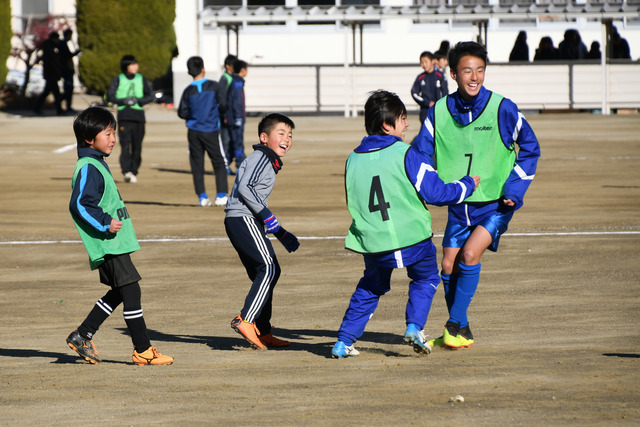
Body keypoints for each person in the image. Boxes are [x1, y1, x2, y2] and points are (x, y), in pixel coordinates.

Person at [331, 90, 479, 359]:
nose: (407, 124)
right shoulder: (407, 153)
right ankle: (414, 327)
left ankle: (343, 341)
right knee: (426, 278)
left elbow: (353, 199)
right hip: (412, 237)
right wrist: (467, 184)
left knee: (371, 287)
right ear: (388, 125)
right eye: (402, 119)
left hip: (374, 241)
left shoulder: (352, 158)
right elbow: (436, 194)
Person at [413, 41, 540, 350]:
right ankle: (463, 328)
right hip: (459, 205)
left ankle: (452, 324)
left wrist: (513, 189)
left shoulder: (503, 107)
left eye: (480, 70)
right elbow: (420, 154)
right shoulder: (438, 111)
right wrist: (427, 188)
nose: (474, 77)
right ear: (453, 74)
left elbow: (530, 148)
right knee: (447, 264)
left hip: (496, 203)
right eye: (467, 71)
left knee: (470, 254)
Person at [66, 107, 173, 365]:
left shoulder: (96, 163)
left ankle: (82, 335)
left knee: (119, 292)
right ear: (89, 139)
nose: (113, 138)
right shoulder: (89, 166)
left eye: (114, 133)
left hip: (114, 243)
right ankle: (143, 350)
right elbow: (79, 204)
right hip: (107, 243)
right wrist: (105, 223)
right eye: (108, 133)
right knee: (131, 291)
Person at [225, 113, 300, 350]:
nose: (287, 138)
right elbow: (246, 188)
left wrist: (277, 230)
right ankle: (246, 320)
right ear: (264, 137)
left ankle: (263, 330)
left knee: (270, 271)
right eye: (281, 133)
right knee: (267, 268)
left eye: (290, 135)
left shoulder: (268, 159)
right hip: (242, 218)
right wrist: (270, 220)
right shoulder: (261, 156)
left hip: (247, 220)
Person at [177, 56, 229, 207]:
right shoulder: (214, 86)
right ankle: (221, 195)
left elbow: (181, 112)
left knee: (196, 164)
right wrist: (216, 113)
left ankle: (202, 197)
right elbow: (224, 104)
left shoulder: (188, 90)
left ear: (189, 72)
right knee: (219, 162)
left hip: (193, 131)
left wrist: (193, 116)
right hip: (211, 129)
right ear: (203, 69)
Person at [106, 55, 154, 184]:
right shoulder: (118, 79)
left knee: (137, 146)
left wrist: (138, 100)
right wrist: (123, 101)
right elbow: (110, 95)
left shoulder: (141, 78)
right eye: (132, 64)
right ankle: (126, 171)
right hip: (124, 115)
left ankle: (134, 170)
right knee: (125, 144)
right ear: (125, 66)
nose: (135, 67)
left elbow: (150, 95)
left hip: (138, 116)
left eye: (136, 64)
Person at [226, 59, 248, 172]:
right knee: (238, 142)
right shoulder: (237, 82)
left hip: (232, 118)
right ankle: (240, 166)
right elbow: (237, 102)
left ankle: (226, 163)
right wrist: (239, 117)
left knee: (233, 142)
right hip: (236, 119)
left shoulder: (234, 81)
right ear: (243, 70)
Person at [33, 31, 63, 116]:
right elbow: (52, 62)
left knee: (47, 92)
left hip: (50, 73)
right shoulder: (49, 48)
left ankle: (37, 107)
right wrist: (57, 72)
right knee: (55, 92)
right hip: (51, 73)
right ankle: (59, 109)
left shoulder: (48, 46)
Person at [219, 54, 237, 174]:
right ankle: (224, 166)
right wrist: (225, 115)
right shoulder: (225, 79)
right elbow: (222, 99)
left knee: (233, 141)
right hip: (226, 117)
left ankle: (229, 163)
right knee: (225, 140)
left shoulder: (233, 78)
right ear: (228, 66)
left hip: (233, 116)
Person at [410, 51, 438, 124]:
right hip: (425, 112)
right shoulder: (420, 77)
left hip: (439, 111)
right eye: (422, 62)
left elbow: (445, 92)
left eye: (426, 62)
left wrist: (440, 105)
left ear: (432, 61)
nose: (424, 65)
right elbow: (414, 93)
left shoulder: (440, 76)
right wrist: (427, 102)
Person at [58, 29, 80, 113]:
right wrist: (76, 52)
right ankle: (65, 104)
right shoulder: (63, 44)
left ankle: (65, 104)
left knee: (68, 88)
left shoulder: (63, 43)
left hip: (67, 69)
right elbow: (67, 56)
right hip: (66, 69)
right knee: (68, 88)